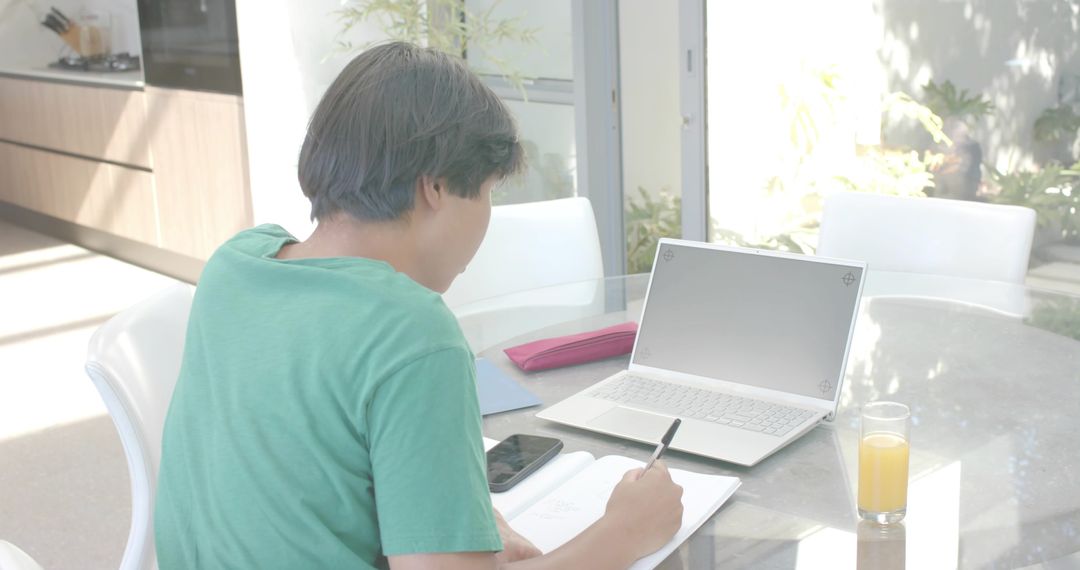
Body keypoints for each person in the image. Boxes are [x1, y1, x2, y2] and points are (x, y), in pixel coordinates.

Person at [155, 41, 683, 569]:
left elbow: (292, 466)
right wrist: (625, 532)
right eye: (487, 192)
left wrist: (451, 514)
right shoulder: (412, 334)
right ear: (434, 188)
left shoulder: (236, 265)